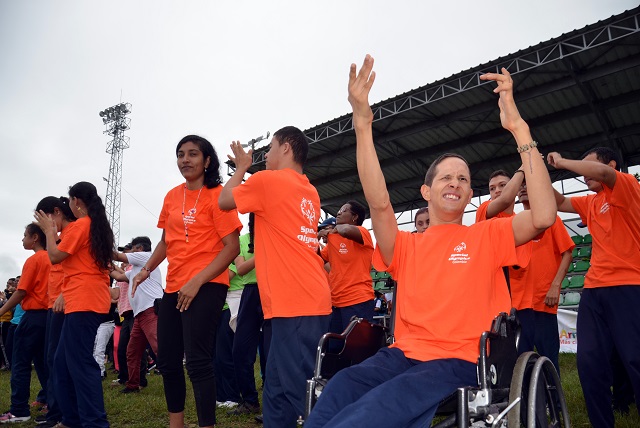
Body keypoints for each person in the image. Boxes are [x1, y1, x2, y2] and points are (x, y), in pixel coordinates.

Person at [304, 55, 556, 428]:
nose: (455, 182)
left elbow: (544, 216)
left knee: (379, 407)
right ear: (426, 190)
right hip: (403, 355)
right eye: (446, 178)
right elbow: (379, 202)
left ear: (470, 194)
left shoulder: (487, 234)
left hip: (462, 360)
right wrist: (362, 123)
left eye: (464, 179)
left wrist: (518, 128)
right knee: (343, 386)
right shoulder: (406, 245)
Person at [219, 126, 332, 427]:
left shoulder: (269, 181)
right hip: (301, 299)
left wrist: (242, 167)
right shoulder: (309, 189)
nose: (265, 155)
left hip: (295, 301)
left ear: (286, 148)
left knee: (303, 395)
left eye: (270, 148)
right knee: (277, 394)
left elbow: (224, 201)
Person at [132, 135, 241, 428]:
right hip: (174, 287)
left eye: (193, 154)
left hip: (207, 284)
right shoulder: (171, 196)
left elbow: (232, 247)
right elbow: (167, 241)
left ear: (207, 161)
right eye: (181, 154)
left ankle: (207, 425)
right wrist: (146, 270)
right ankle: (175, 424)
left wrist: (197, 281)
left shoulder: (219, 195)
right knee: (167, 361)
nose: (185, 160)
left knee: (197, 362)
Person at [547, 147, 640, 427]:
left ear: (611, 165)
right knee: (589, 364)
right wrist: (537, 173)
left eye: (588, 167)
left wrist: (563, 161)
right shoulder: (591, 202)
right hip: (594, 289)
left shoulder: (626, 185)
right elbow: (559, 202)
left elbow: (601, 173)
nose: (585, 174)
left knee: (635, 361)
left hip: (628, 285)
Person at [34, 182, 114, 428]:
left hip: (84, 300)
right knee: (61, 362)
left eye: (69, 202)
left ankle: (94, 422)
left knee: (80, 364)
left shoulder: (82, 226)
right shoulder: (93, 226)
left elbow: (56, 257)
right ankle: (71, 419)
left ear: (76, 202)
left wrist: (48, 232)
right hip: (82, 299)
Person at [508, 182, 574, 371]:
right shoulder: (513, 222)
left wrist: (555, 285)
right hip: (519, 305)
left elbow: (567, 253)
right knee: (520, 363)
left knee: (549, 360)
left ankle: (553, 399)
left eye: (527, 185)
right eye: (520, 187)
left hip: (544, 302)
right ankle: (526, 399)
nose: (522, 189)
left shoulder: (551, 219)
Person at [32, 196, 76, 428]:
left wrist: (64, 294)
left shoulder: (70, 237)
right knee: (53, 360)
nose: (43, 227)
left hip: (64, 305)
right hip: (53, 305)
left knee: (60, 362)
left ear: (56, 212)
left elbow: (78, 270)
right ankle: (56, 412)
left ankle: (61, 414)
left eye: (43, 220)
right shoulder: (58, 239)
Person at [0, 224, 50, 424]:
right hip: (48, 316)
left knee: (20, 363)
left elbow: (21, 291)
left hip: (33, 316)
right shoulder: (52, 258)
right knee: (42, 363)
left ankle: (19, 409)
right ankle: (50, 401)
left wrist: (2, 310)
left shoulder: (35, 259)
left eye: (24, 236)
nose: (22, 240)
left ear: (35, 237)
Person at [228, 214, 270, 417]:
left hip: (272, 291)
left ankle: (272, 403)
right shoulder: (242, 240)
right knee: (240, 349)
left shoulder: (274, 236)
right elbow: (242, 269)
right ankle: (249, 400)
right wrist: (264, 252)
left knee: (271, 352)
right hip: (250, 293)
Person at [111, 236, 163, 394]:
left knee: (159, 347)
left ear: (140, 249)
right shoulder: (135, 268)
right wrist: (106, 267)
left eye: (132, 249)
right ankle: (133, 384)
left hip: (149, 311)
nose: (130, 252)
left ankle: (173, 377)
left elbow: (117, 255)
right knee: (132, 351)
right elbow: (119, 276)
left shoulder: (146, 256)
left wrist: (99, 245)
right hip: (140, 314)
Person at [318, 200, 375, 333]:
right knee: (334, 348)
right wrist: (316, 238)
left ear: (354, 217)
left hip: (358, 300)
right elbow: (318, 259)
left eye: (344, 211)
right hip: (335, 303)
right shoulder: (333, 238)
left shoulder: (362, 232)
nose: (338, 213)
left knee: (355, 348)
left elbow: (346, 230)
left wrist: (332, 230)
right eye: (339, 210)